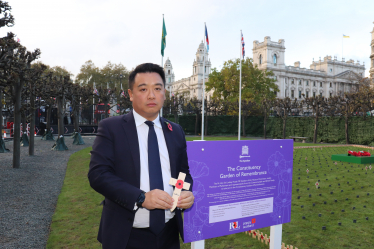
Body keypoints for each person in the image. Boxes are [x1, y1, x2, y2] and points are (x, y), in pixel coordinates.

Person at [88, 63, 194, 249]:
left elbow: (183, 173)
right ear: (130, 94)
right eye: (143, 89)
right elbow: (98, 175)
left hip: (169, 235)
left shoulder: (175, 131)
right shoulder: (111, 128)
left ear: (164, 93)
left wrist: (184, 193)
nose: (151, 95)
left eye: (157, 88)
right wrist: (141, 198)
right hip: (126, 236)